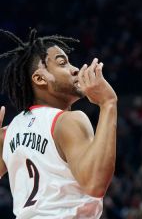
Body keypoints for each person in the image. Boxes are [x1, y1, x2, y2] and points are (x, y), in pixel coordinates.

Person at [0, 29, 117, 218]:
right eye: (62, 63)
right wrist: (108, 104)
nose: (75, 69)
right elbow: (95, 184)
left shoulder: (9, 131)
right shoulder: (68, 121)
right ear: (39, 78)